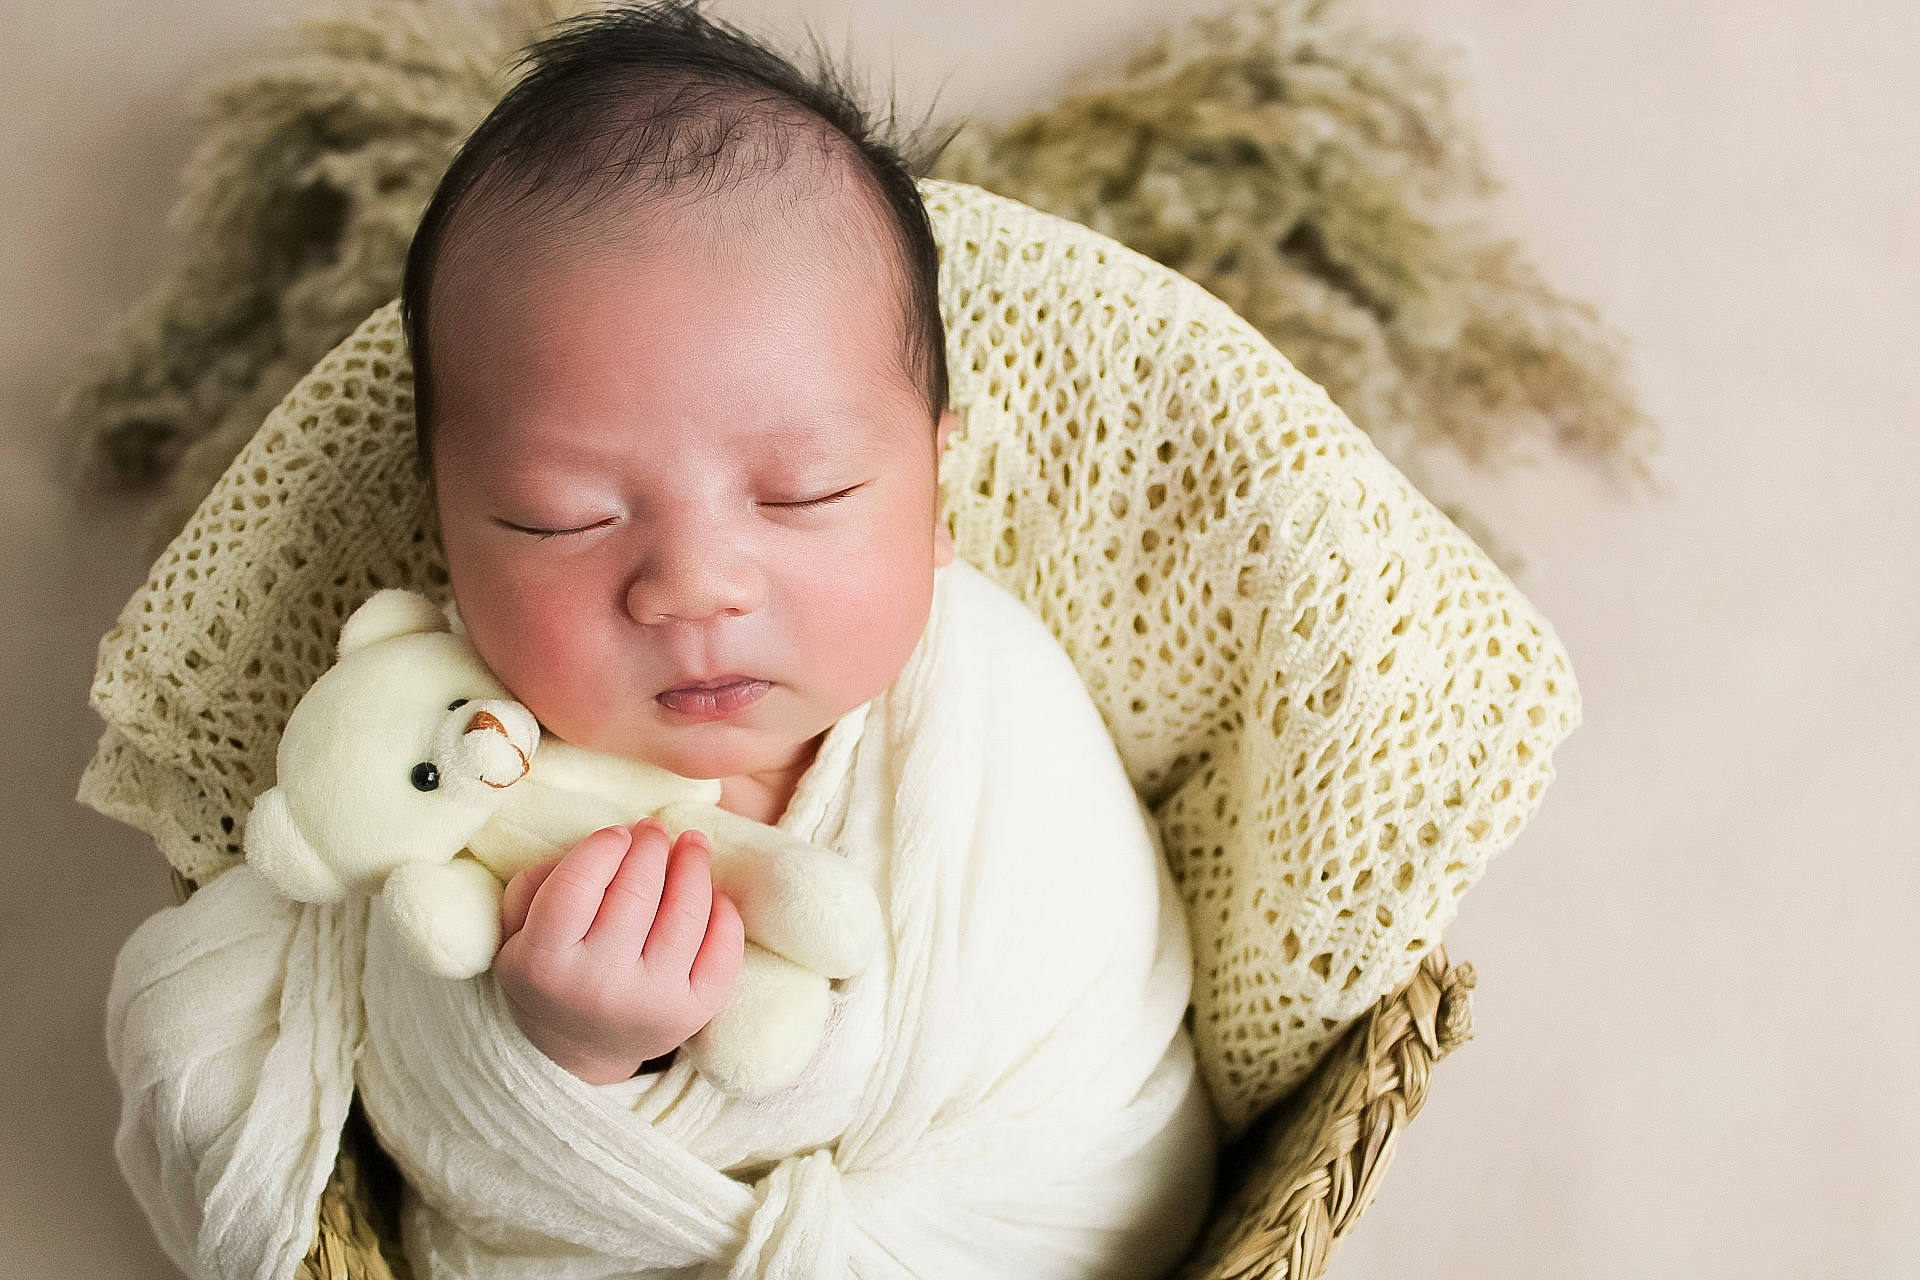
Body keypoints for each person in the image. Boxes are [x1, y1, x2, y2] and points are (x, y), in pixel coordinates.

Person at [107, 3, 1220, 1275]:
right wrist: (570, 1047)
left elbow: (1094, 1020)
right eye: (562, 517)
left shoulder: (997, 702)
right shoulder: (453, 768)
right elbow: (431, 1122)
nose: (692, 587)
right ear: (446, 541)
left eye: (803, 493)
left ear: (934, 494)